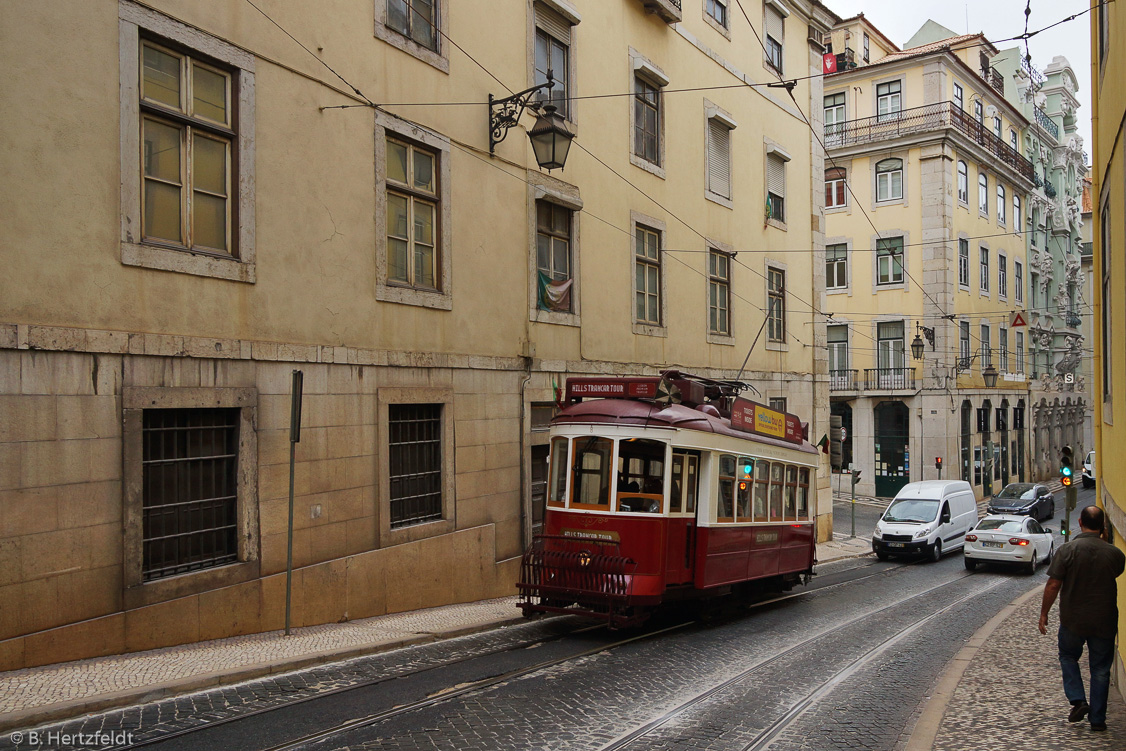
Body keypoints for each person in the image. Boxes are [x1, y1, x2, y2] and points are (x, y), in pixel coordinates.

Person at [1038, 504, 1126, 732]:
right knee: (1100, 669)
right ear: (1103, 527)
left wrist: (1044, 613)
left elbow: (1053, 583)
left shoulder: (1067, 550)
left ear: (1080, 522)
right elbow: (1115, 572)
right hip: (1104, 620)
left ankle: (1078, 700)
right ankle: (1098, 720)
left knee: (1068, 657)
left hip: (1073, 619)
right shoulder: (1115, 554)